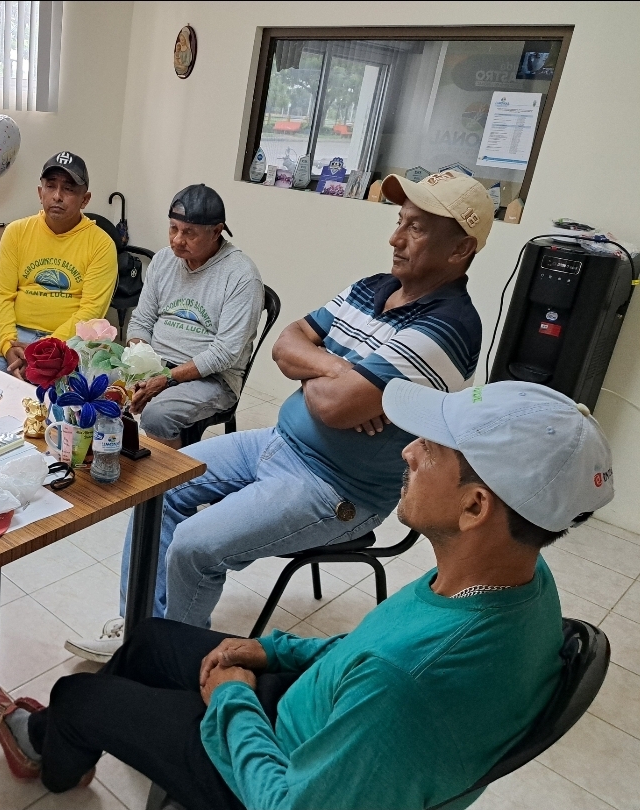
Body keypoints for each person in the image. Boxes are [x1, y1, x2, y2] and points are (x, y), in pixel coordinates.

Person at [0, 379, 615, 810]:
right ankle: (99, 728)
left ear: (475, 506)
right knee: (151, 639)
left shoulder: (407, 679)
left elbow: (286, 803)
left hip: (270, 772)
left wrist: (231, 701)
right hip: (316, 711)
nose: (407, 451)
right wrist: (275, 652)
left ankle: (50, 755)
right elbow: (367, 649)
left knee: (77, 695)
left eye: (429, 450)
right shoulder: (517, 580)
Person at [67, 169, 493, 661]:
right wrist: (343, 370)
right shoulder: (373, 287)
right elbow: (285, 344)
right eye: (400, 221)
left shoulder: (449, 326)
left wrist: (322, 372)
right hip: (278, 441)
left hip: (337, 487)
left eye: (415, 228)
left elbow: (332, 405)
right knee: (157, 488)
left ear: (460, 249)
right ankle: (138, 628)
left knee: (195, 545)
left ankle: (171, 662)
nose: (395, 238)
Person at [125, 185, 264, 449]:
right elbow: (141, 320)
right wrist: (140, 362)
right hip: (157, 364)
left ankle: (173, 476)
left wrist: (167, 378)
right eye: (173, 228)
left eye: (189, 233)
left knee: (158, 415)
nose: (177, 240)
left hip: (212, 377)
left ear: (216, 231)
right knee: (99, 388)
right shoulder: (163, 260)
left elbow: (224, 353)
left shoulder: (241, 276)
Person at [0, 152, 118, 377]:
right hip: (15, 335)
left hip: (70, 341)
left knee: (90, 387)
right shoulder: (16, 232)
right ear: (40, 192)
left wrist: (42, 350)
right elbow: (2, 296)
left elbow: (90, 312)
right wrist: (7, 345)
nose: (57, 196)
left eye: (68, 189)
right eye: (50, 186)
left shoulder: (101, 244)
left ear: (85, 199)